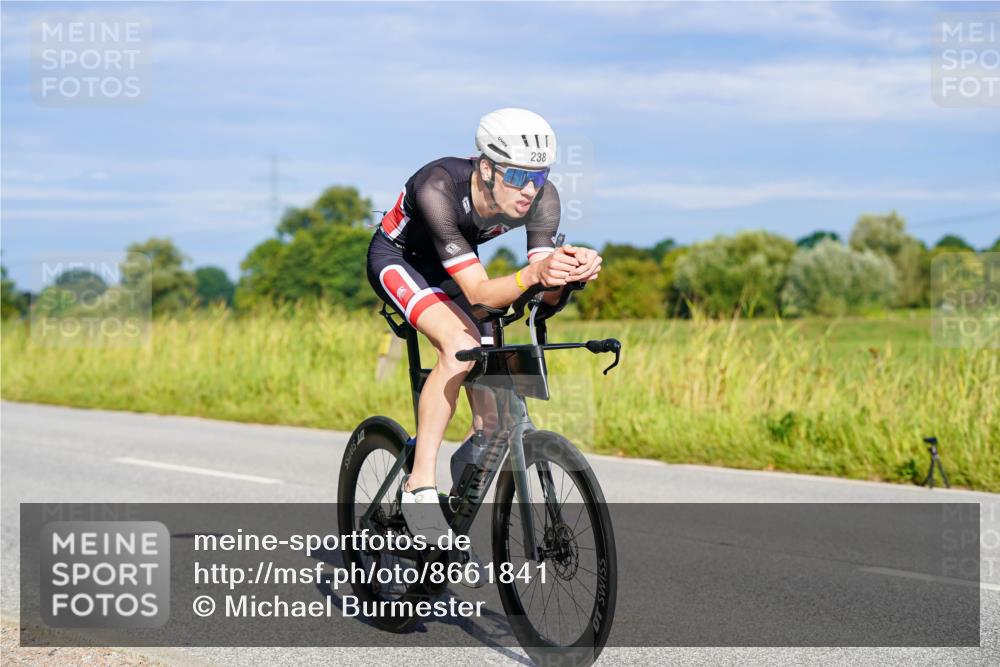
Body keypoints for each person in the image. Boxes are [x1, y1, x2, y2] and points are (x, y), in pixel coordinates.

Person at [365, 108, 603, 557]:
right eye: (517, 175)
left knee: (494, 406)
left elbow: (540, 296)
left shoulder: (541, 197)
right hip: (400, 261)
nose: (529, 189)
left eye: (539, 175)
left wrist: (566, 275)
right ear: (488, 167)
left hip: (457, 266)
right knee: (460, 347)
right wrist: (536, 274)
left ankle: (465, 472)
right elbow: (479, 293)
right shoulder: (437, 186)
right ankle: (419, 483)